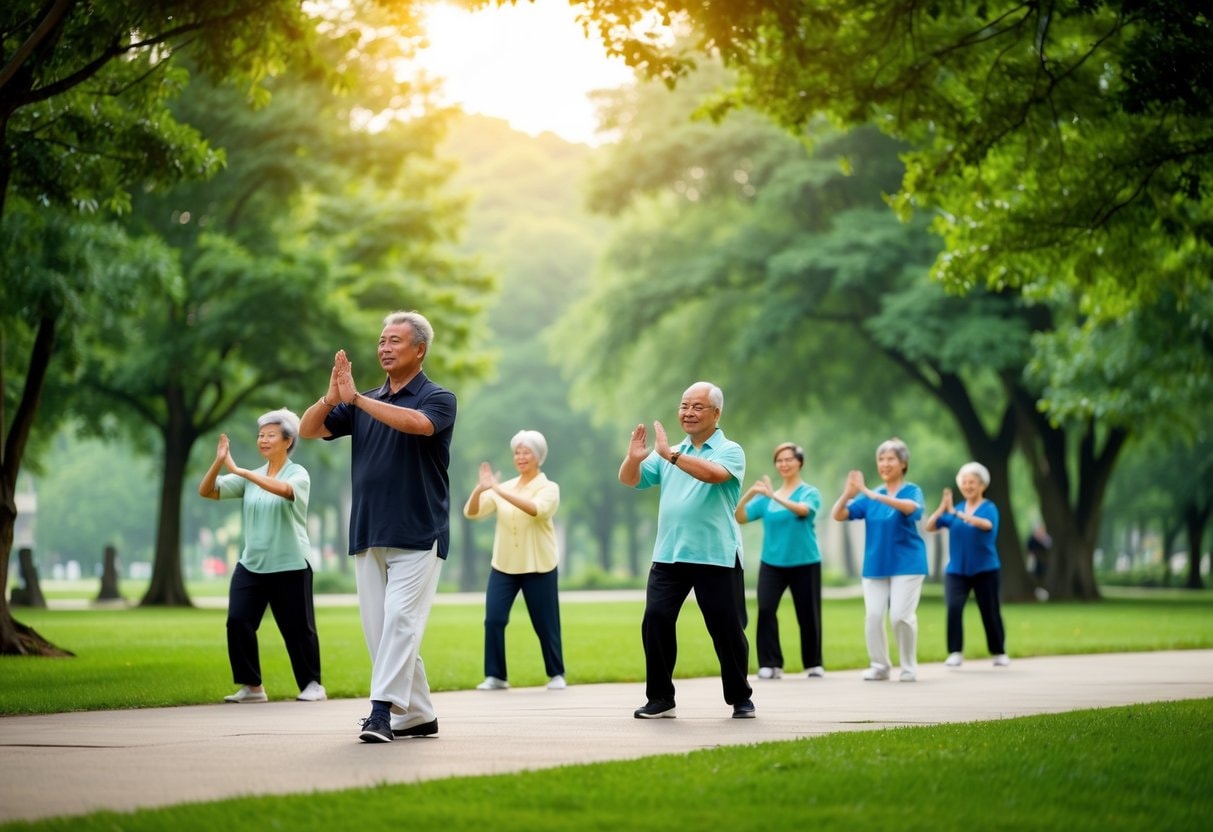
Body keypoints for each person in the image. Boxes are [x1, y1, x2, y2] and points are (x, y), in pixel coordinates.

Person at [299, 310, 456, 744]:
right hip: (369, 530)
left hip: (420, 533)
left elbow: (418, 425)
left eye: (395, 341)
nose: (384, 348)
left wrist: (359, 401)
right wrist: (332, 398)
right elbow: (307, 429)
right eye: (381, 341)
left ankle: (381, 714)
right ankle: (420, 715)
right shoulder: (357, 401)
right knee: (381, 631)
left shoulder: (439, 398)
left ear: (419, 350)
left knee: (401, 622)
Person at [619, 381, 754, 720]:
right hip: (668, 554)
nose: (688, 413)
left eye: (697, 407)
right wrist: (634, 459)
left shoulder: (729, 450)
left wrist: (672, 456)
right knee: (656, 620)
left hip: (714, 554)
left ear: (716, 413)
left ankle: (741, 697)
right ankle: (661, 698)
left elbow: (712, 475)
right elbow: (630, 480)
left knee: (726, 629)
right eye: (684, 406)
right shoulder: (670, 451)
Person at [198, 409, 325, 704]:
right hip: (251, 564)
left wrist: (242, 472)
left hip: (290, 563)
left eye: (270, 435)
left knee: (297, 629)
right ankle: (252, 687)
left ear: (288, 440)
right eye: (260, 435)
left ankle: (313, 685)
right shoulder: (252, 476)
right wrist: (219, 462)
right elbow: (208, 491)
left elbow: (285, 490)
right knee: (238, 621)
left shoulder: (298, 474)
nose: (263, 440)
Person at [464, 429, 566, 691]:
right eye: (517, 453)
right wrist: (481, 488)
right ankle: (496, 676)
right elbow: (472, 512)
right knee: (494, 619)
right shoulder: (505, 486)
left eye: (526, 452)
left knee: (546, 623)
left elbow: (536, 510)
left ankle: (556, 674)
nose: (521, 457)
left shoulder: (548, 488)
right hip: (504, 565)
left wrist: (496, 488)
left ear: (539, 457)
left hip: (538, 565)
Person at [831, 437, 928, 682]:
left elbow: (910, 508)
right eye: (881, 459)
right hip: (875, 564)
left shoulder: (911, 491)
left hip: (907, 564)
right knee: (873, 616)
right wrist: (848, 493)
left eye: (890, 459)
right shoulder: (871, 495)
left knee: (900, 616)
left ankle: (908, 667)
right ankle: (880, 666)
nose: (884, 464)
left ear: (903, 464)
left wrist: (867, 493)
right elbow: (839, 514)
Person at [735, 442, 825, 680]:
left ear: (800, 462)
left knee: (808, 614)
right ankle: (770, 663)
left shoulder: (809, 492)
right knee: (765, 609)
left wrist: (774, 495)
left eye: (789, 459)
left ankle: (813, 663)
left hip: (805, 562)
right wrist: (752, 494)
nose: (784, 464)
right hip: (772, 563)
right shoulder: (765, 499)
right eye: (779, 460)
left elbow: (803, 511)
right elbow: (739, 516)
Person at [925, 462, 1010, 668]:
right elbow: (930, 526)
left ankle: (998, 651)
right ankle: (955, 651)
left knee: (989, 611)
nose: (968, 486)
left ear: (982, 485)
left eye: (972, 482)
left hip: (985, 569)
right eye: (964, 482)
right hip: (957, 571)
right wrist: (943, 509)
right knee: (953, 609)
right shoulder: (956, 509)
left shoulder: (989, 508)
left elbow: (986, 525)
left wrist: (956, 513)